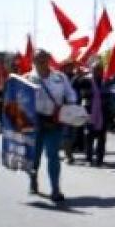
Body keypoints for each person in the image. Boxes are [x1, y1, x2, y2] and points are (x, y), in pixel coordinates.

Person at [26, 49, 77, 202]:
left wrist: (68, 105)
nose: (41, 62)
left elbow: (71, 94)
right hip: (34, 124)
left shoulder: (60, 78)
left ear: (49, 59)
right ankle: (33, 180)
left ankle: (55, 189)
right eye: (38, 60)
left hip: (53, 123)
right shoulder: (27, 79)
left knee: (53, 156)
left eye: (44, 59)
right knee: (34, 157)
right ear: (33, 61)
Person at [74, 59, 113, 167]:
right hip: (89, 111)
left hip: (103, 112)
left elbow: (111, 94)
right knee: (89, 136)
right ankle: (89, 158)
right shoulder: (86, 81)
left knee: (102, 137)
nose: (98, 72)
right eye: (96, 69)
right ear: (92, 70)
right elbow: (75, 85)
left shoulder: (106, 81)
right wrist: (78, 75)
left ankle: (100, 159)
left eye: (100, 69)